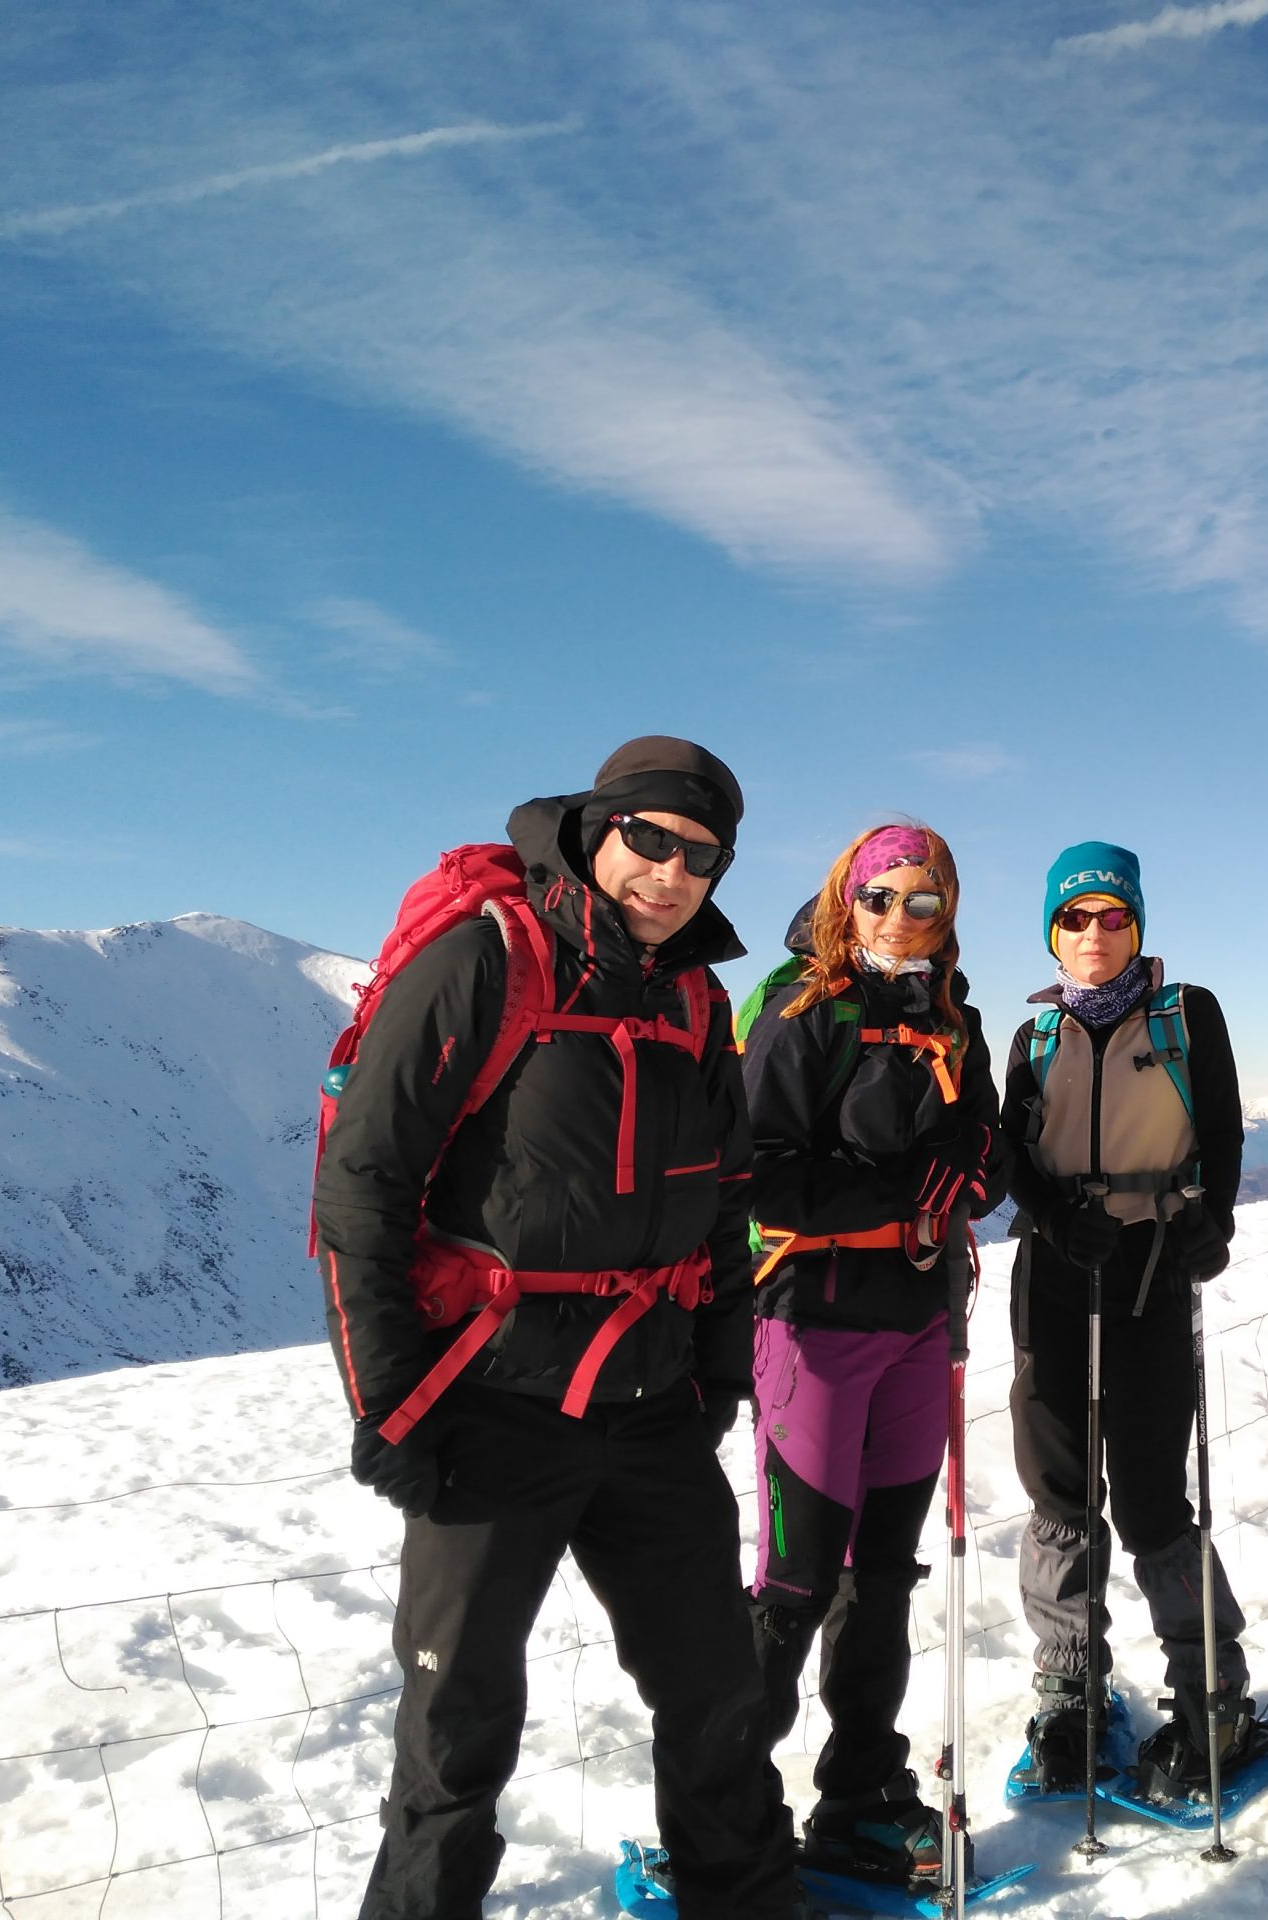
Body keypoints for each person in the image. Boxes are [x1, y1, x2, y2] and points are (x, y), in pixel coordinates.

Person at [314, 736, 796, 1918]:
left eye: (704, 856)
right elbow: (362, 1186)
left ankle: (745, 1902)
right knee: (456, 1723)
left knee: (717, 1689)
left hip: (650, 1411)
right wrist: (387, 1398)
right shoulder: (486, 961)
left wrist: (716, 1372)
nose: (671, 873)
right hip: (489, 1408)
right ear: (596, 827)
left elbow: (727, 1196)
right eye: (650, 839)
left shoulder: (695, 996)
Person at [739, 823, 1007, 1893]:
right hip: (812, 1322)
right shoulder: (801, 1010)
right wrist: (904, 1198)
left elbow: (984, 1144)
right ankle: (725, 1807)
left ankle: (860, 1794)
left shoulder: (953, 1018)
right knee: (796, 1579)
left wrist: (965, 1185)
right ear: (846, 900)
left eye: (925, 900)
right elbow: (753, 1169)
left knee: (884, 1576)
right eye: (882, 896)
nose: (902, 917)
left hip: (913, 1328)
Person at [1000, 841, 1267, 1798]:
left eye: (1115, 915)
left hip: (1153, 1265)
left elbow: (1226, 1129)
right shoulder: (1032, 1038)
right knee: (1060, 1490)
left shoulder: (1188, 1015)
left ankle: (1212, 1688)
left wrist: (1215, 1219)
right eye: (1075, 918)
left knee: (1153, 1492)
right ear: (1052, 933)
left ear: (1140, 926)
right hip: (1058, 1275)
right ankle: (1070, 1689)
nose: (1095, 933)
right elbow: (1014, 1159)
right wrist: (1049, 1215)